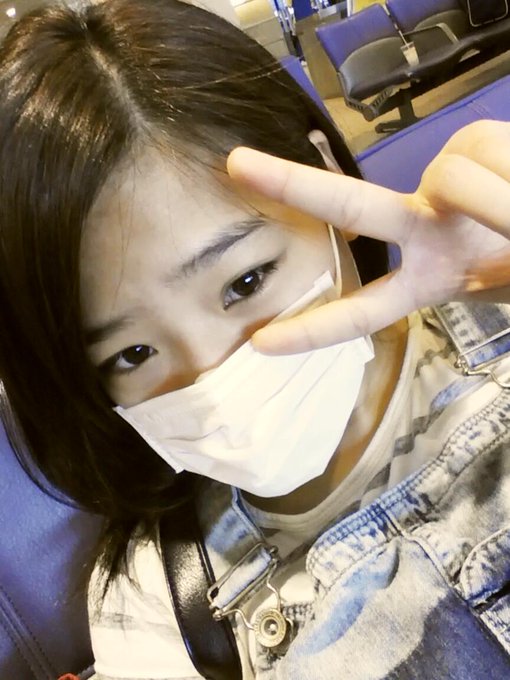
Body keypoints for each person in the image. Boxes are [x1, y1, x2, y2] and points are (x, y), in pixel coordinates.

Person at [0, 1, 509, 679]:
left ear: (324, 174)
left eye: (245, 282)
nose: (214, 378)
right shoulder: (155, 607)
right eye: (132, 354)